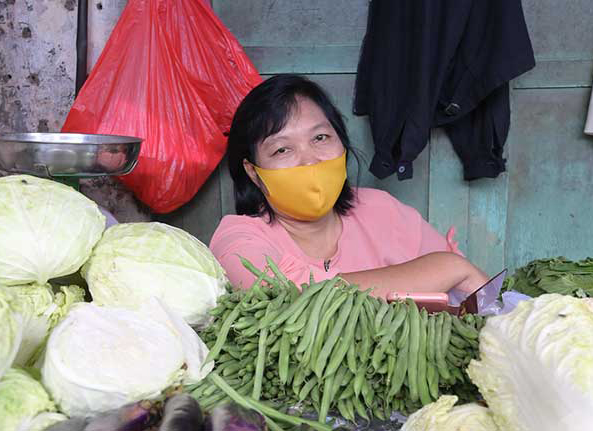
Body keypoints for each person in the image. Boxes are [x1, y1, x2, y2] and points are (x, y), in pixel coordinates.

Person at [209, 75, 488, 299]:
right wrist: (449, 267)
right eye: (282, 150)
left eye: (320, 137)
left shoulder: (382, 210)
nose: (309, 161)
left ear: (342, 143)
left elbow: (471, 297)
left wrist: (454, 271)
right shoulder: (237, 239)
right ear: (253, 173)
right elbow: (290, 300)